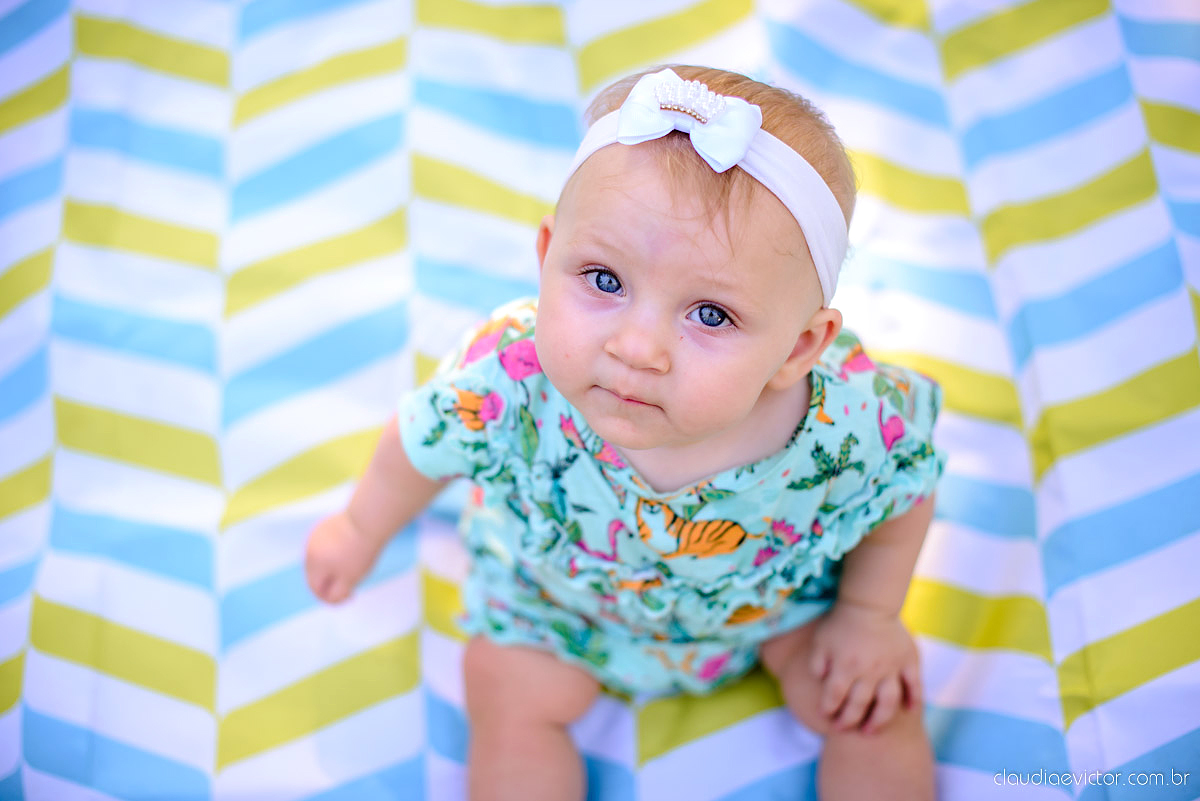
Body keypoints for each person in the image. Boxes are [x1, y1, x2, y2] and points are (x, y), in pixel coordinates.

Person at [305, 65, 943, 801]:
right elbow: (417, 442)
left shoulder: (845, 423)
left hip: (769, 610)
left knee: (871, 698)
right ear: (547, 258)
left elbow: (904, 492)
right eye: (604, 279)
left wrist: (868, 617)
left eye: (710, 314)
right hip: (559, 610)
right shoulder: (509, 378)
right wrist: (358, 527)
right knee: (504, 687)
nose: (637, 347)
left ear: (800, 347)